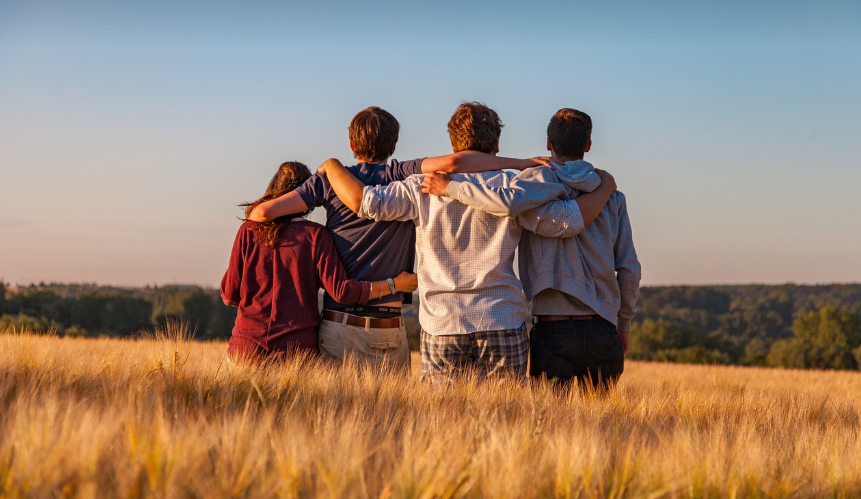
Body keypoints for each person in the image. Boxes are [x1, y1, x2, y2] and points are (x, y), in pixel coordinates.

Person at [318, 102, 617, 381]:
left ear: (453, 144)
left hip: (442, 323)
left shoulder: (420, 186)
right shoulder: (513, 188)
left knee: (443, 416)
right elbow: (564, 222)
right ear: (496, 144)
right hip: (501, 318)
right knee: (507, 414)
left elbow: (367, 203)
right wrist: (605, 187)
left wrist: (332, 166)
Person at [246, 106, 556, 370]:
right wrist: (521, 163)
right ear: (394, 144)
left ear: (351, 143)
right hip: (395, 324)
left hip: (345, 322)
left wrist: (329, 168)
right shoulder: (402, 174)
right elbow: (454, 163)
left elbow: (262, 214)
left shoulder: (332, 181)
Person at [422, 108, 641, 390]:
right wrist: (624, 323)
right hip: (604, 328)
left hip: (552, 329)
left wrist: (451, 188)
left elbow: (507, 203)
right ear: (588, 145)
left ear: (549, 143)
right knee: (603, 418)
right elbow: (629, 268)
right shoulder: (612, 197)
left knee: (549, 416)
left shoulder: (530, 188)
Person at [220, 161, 417, 363]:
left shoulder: (248, 231)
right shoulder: (315, 235)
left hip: (245, 348)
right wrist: (394, 284)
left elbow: (229, 294)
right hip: (297, 352)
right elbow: (342, 292)